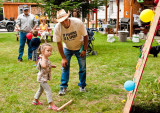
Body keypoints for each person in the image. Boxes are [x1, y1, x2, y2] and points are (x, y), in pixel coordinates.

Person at [53, 9, 88, 95]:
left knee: (82, 67)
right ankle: (63, 87)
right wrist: (63, 58)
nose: (64, 23)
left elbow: (86, 36)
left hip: (79, 47)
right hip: (67, 48)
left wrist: (84, 49)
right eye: (61, 21)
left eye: (65, 20)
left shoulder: (78, 23)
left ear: (67, 18)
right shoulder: (57, 28)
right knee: (65, 67)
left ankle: (82, 86)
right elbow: (59, 43)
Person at [32, 43, 58, 111]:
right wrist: (43, 57)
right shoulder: (42, 59)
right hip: (42, 79)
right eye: (48, 51)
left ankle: (35, 101)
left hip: (43, 78)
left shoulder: (46, 59)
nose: (50, 52)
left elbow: (46, 65)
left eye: (50, 51)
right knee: (48, 90)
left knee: (40, 89)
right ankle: (51, 105)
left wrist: (52, 66)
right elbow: (43, 66)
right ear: (43, 52)